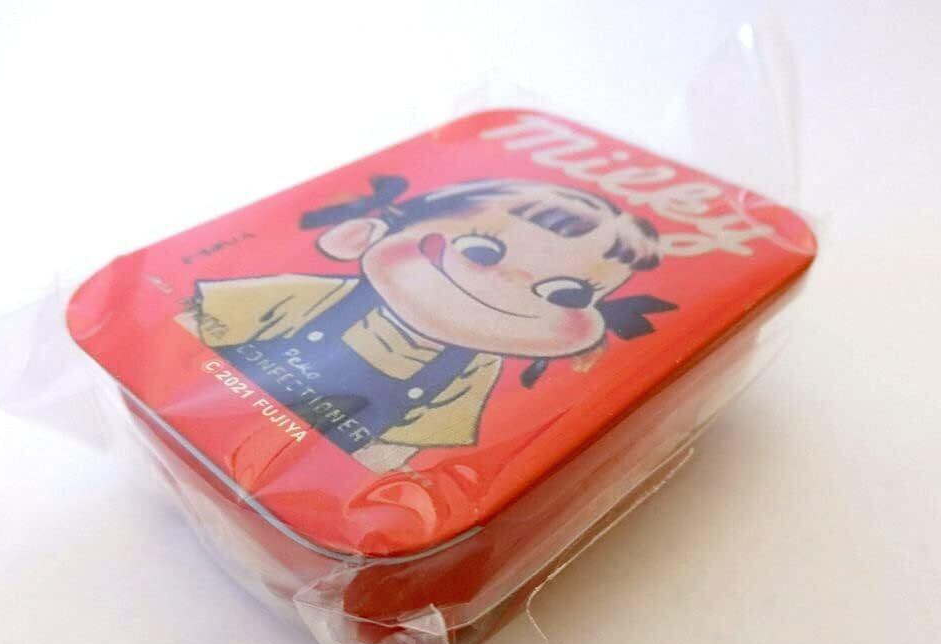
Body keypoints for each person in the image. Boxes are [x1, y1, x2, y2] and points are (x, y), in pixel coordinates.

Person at [194, 177, 675, 472]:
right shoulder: (322, 296)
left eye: (567, 294)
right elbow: (191, 332)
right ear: (362, 235)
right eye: (480, 250)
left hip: (326, 475)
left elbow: (408, 446)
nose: (507, 286)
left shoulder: (472, 368)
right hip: (217, 411)